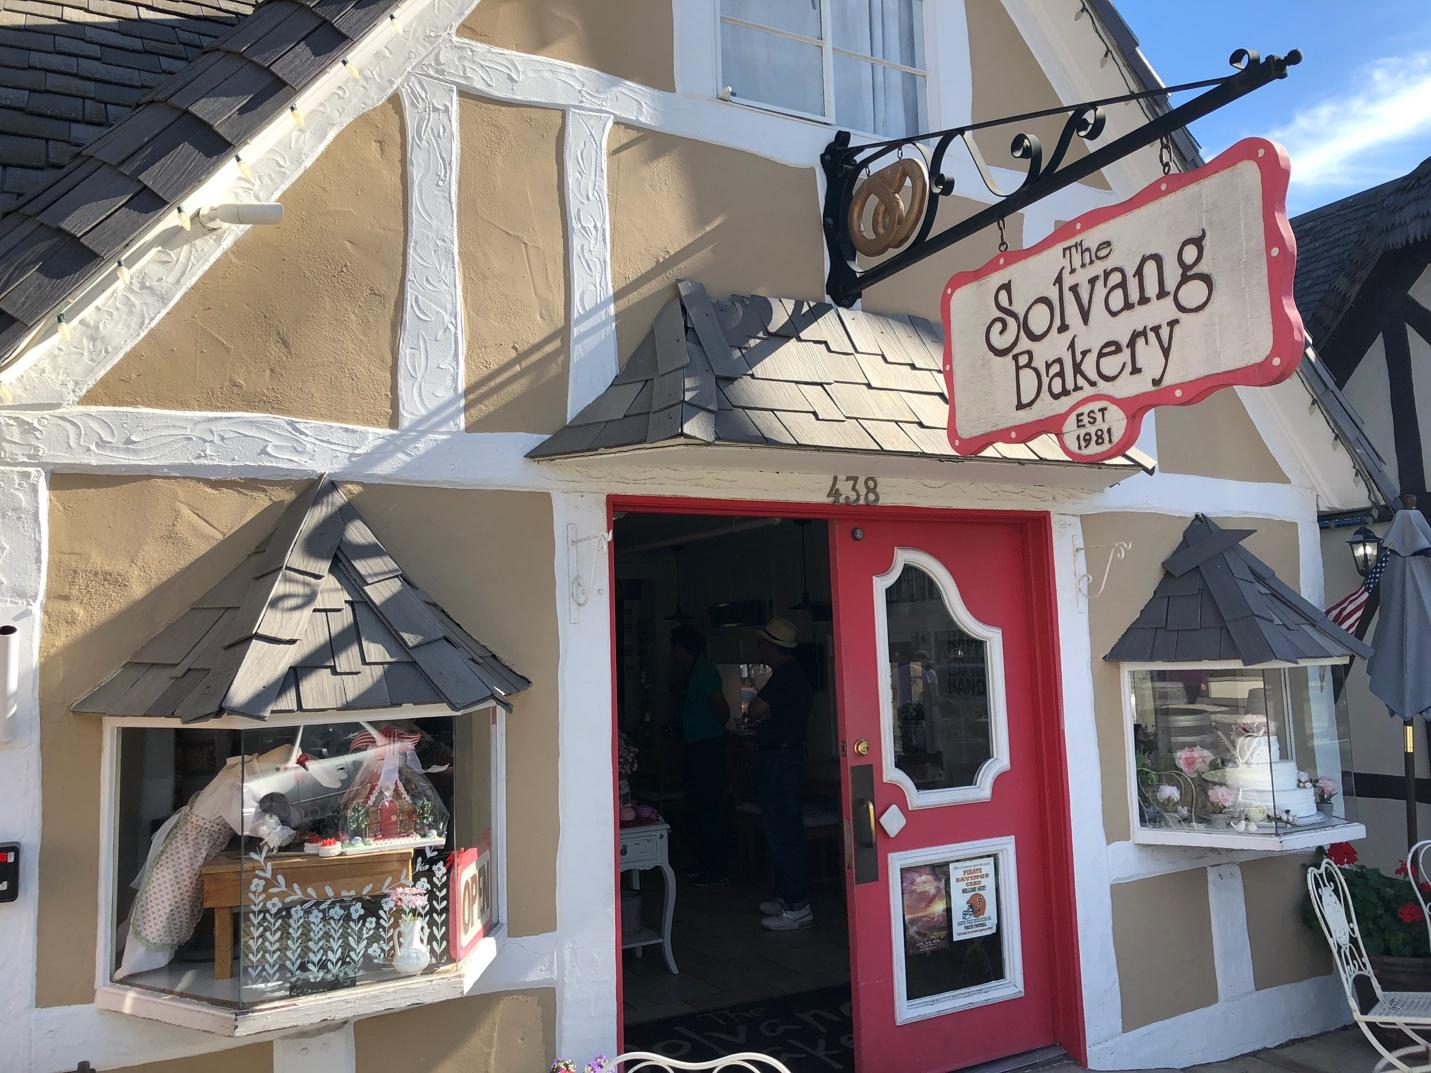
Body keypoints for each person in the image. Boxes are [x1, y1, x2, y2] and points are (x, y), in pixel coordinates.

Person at [746, 617, 814, 931]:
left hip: (781, 759)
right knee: (780, 828)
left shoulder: (786, 675)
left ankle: (797, 903)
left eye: (761, 643)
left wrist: (764, 712)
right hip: (783, 757)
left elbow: (755, 709)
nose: (758, 647)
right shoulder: (790, 675)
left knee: (784, 829)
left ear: (771, 646)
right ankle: (786, 896)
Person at [671, 624, 731, 886]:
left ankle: (716, 869)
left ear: (680, 648)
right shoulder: (693, 671)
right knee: (698, 805)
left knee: (709, 806)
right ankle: (703, 863)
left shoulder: (705, 670)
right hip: (696, 745)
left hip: (707, 747)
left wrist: (716, 726)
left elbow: (721, 708)